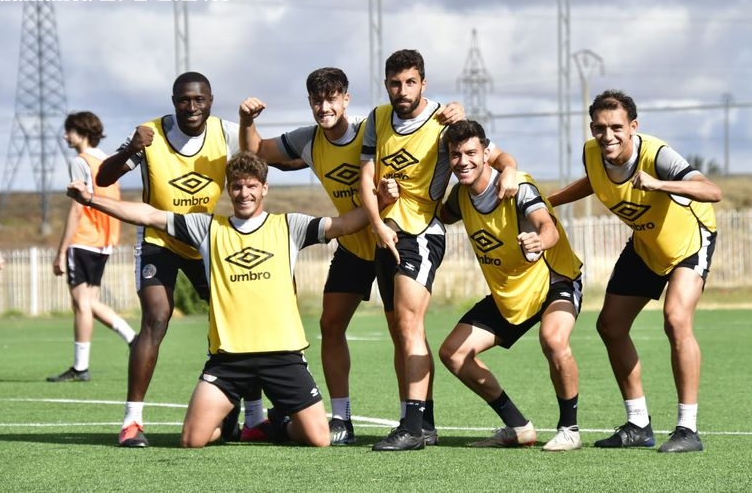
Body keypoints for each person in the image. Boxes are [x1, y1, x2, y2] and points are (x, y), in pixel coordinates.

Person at [68, 151, 386, 448]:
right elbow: (149, 215)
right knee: (192, 440)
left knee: (318, 438)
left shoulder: (290, 225)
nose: (244, 193)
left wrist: (381, 201)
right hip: (229, 360)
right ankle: (229, 419)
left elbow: (344, 224)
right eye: (237, 187)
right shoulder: (207, 228)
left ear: (264, 188)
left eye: (251, 186)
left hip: (283, 356)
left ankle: (279, 421)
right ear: (228, 190)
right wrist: (91, 199)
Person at [238, 67, 465, 445]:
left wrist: (453, 111)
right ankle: (341, 420)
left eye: (331, 99)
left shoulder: (370, 128)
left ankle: (418, 420)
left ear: (346, 99)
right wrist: (247, 120)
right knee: (330, 324)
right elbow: (256, 151)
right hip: (352, 245)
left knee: (405, 332)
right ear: (310, 103)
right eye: (317, 101)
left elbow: (421, 129)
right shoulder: (308, 140)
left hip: (389, 239)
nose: (324, 107)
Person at [358, 49, 519, 451]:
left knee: (410, 326)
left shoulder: (445, 120)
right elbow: (366, 175)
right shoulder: (377, 119)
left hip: (421, 235)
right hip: (386, 235)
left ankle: (412, 428)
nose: (402, 90)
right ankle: (422, 422)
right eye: (395, 83)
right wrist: (377, 221)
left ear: (423, 84)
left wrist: (511, 170)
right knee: (401, 333)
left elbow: (495, 154)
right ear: (386, 84)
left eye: (410, 82)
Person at [95, 71, 264, 447]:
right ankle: (132, 422)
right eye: (184, 100)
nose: (191, 107)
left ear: (210, 101)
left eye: (199, 99)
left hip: (204, 239)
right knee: (156, 317)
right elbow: (104, 178)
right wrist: (129, 149)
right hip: (160, 239)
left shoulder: (225, 133)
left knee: (238, 315)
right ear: (173, 102)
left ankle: (254, 417)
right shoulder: (149, 134)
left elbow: (257, 165)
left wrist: (251, 126)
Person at [548, 89, 721, 453]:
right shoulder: (591, 153)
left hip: (689, 242)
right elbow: (594, 181)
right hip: (646, 245)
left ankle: (688, 429)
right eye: (599, 128)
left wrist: (659, 183)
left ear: (633, 127)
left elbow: (711, 191)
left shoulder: (656, 155)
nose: (607, 135)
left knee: (676, 320)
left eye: (616, 127)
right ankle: (638, 424)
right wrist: (547, 202)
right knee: (610, 326)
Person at [434, 120, 583, 451]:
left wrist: (539, 240)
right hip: (511, 294)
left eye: (471, 153)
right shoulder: (460, 196)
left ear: (487, 153)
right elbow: (440, 215)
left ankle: (570, 429)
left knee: (553, 339)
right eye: (455, 155)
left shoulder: (518, 187)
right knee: (453, 354)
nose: (463, 161)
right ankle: (518, 427)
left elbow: (547, 227)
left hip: (552, 281)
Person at [47, 112, 136, 382]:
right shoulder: (107, 161)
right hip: (104, 241)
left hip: (84, 239)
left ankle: (80, 368)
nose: (65, 136)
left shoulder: (80, 161)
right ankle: (133, 338)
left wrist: (61, 252)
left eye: (69, 131)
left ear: (82, 133)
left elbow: (77, 209)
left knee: (81, 304)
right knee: (90, 302)